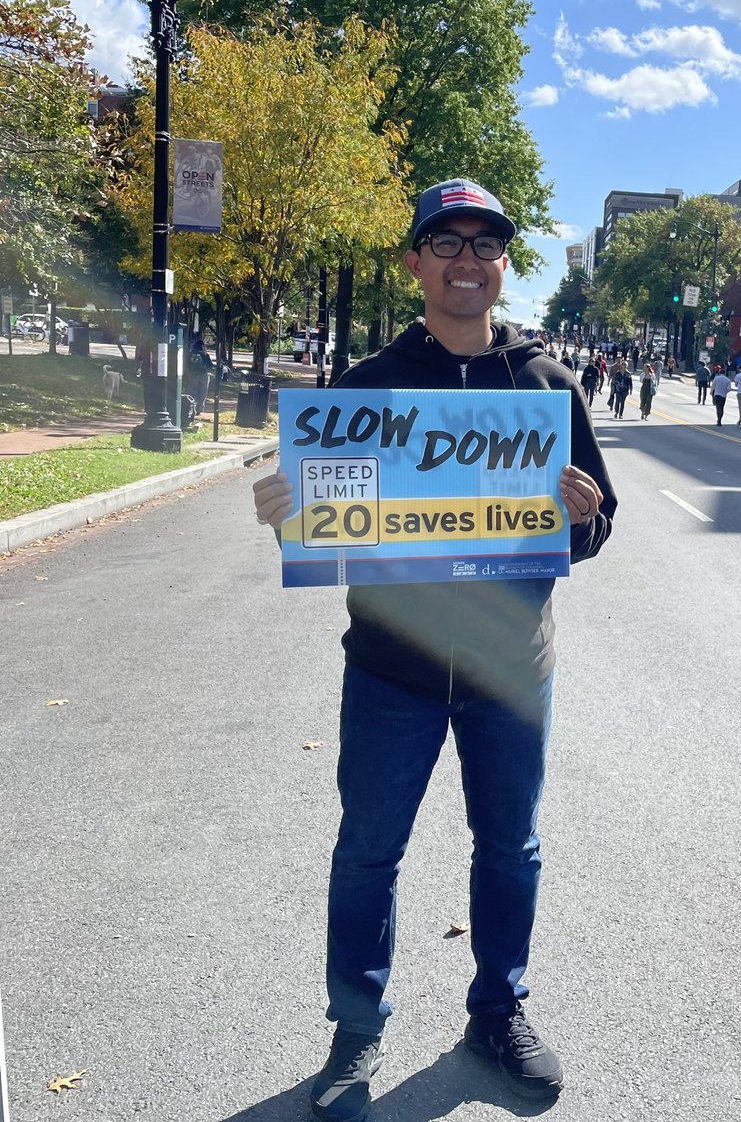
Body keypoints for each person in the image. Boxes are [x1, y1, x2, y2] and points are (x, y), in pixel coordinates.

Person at [251, 178, 616, 1122]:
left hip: (509, 668)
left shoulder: (546, 386)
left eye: (484, 244)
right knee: (367, 852)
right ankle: (355, 1028)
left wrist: (580, 517)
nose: (466, 260)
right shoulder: (364, 390)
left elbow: (596, 526)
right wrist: (290, 514)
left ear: (503, 265)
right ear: (415, 262)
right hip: (391, 670)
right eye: (445, 243)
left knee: (512, 849)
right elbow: (330, 522)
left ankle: (497, 1011)